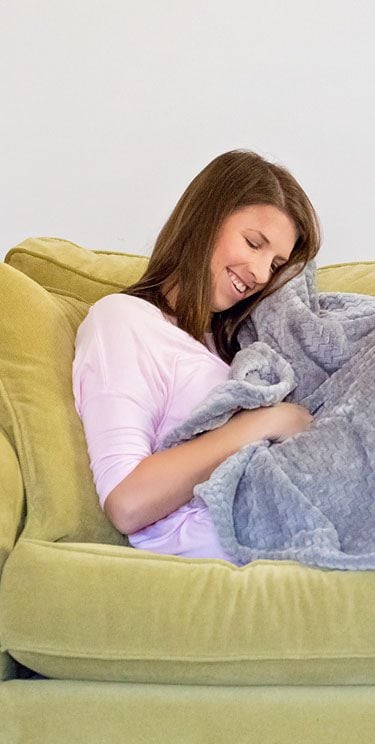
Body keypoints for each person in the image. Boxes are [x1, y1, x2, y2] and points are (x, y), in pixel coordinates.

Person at [72, 149, 321, 562]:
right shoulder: (123, 320)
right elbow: (127, 502)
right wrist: (267, 421)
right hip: (229, 542)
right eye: (253, 243)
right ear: (205, 220)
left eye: (276, 264)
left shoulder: (237, 342)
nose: (261, 274)